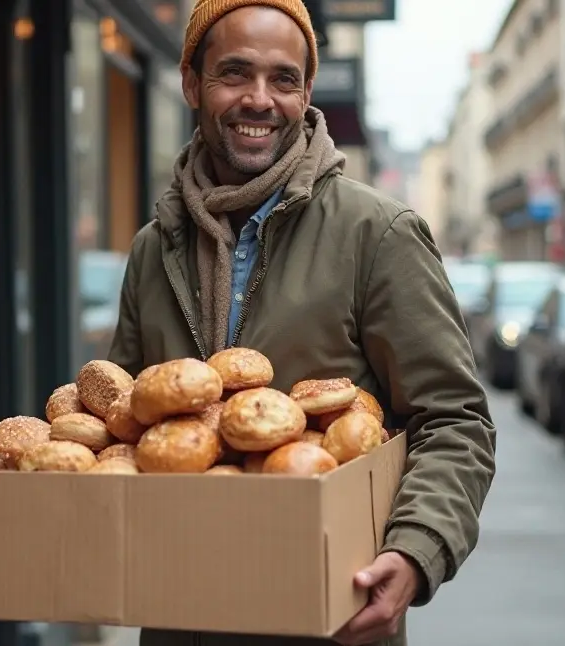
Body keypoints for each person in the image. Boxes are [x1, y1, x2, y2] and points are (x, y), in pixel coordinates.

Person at [107, 1, 496, 644]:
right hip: (182, 612)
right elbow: (122, 416)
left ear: (306, 92)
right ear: (190, 84)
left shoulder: (377, 234)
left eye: (283, 79)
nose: (260, 99)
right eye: (234, 74)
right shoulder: (156, 246)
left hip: (328, 618)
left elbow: (454, 419)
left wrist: (415, 551)